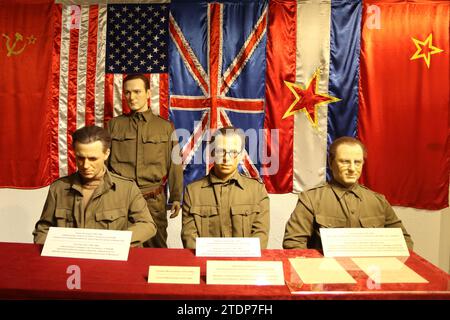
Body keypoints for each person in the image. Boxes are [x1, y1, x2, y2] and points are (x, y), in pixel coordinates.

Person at [33, 126, 156, 247]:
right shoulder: (58, 189)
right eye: (80, 158)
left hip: (111, 262)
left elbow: (147, 225)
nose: (85, 165)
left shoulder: (126, 189)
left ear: (106, 154)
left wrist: (115, 243)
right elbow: (43, 229)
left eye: (92, 159)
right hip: (70, 263)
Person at [283, 136, 413, 250]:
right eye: (344, 162)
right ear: (331, 163)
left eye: (357, 162)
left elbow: (405, 242)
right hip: (327, 275)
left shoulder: (378, 201)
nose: (352, 168)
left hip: (371, 275)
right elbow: (293, 244)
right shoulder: (311, 199)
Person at [106, 74, 183, 248]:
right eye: (127, 93)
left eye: (137, 91)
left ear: (148, 93)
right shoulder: (114, 126)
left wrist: (176, 196)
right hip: (120, 200)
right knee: (119, 249)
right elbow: (104, 164)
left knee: (156, 252)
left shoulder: (165, 127)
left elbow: (175, 163)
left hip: (153, 201)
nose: (131, 97)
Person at [181, 126, 270, 249]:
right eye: (220, 151)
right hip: (205, 265)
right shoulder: (192, 192)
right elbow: (189, 240)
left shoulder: (257, 191)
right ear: (212, 153)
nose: (226, 158)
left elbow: (260, 239)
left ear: (241, 155)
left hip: (244, 265)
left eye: (233, 152)